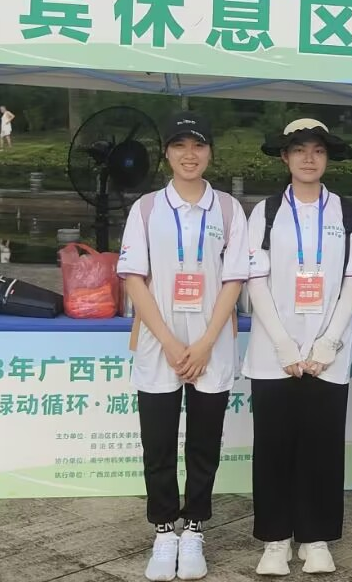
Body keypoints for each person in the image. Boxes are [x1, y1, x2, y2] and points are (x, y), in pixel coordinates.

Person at [117, 112, 249, 582]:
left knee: (204, 443)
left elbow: (234, 279)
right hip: (160, 344)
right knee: (157, 442)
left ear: (210, 152)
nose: (189, 155)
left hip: (212, 345)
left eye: (198, 145)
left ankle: (193, 529)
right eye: (180, 146)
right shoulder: (147, 209)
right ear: (167, 153)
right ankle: (163, 531)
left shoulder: (228, 210)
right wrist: (172, 342)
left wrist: (206, 342)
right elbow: (134, 278)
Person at [243, 118, 352, 576]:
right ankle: (275, 539)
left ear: (327, 157)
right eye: (299, 150)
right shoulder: (266, 212)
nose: (308, 159)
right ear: (285, 157)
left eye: (317, 150)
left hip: (326, 357)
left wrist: (328, 343)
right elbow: (255, 280)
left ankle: (316, 538)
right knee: (273, 448)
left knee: (322, 447)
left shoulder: (348, 214)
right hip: (273, 355)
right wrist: (283, 345)